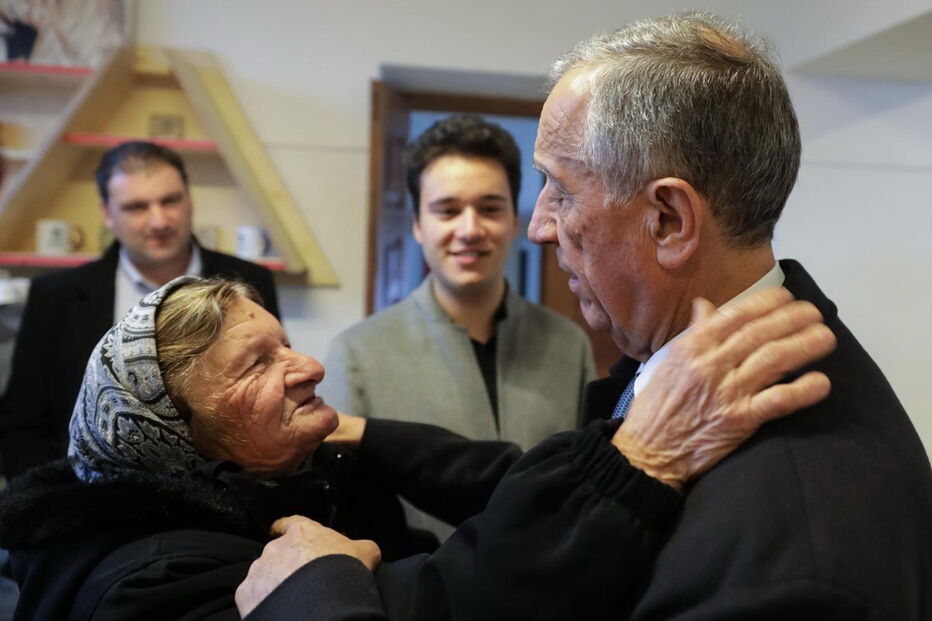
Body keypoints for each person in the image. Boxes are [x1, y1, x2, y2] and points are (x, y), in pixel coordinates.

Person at [237, 12, 932, 620]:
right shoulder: (669, 369)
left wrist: (313, 602)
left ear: (669, 219)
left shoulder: (796, 545)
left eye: (559, 188)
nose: (537, 226)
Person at [0, 277, 830, 620]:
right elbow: (452, 587)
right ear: (174, 433)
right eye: (258, 364)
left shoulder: (275, 484)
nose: (308, 366)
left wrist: (355, 432)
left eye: (286, 342)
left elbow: (500, 482)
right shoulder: (149, 584)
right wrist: (328, 585)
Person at [323, 114, 596, 538]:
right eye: (447, 211)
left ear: (514, 220)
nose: (470, 230)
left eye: (490, 209)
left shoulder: (567, 344)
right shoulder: (356, 353)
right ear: (417, 225)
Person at [0, 141, 279, 478]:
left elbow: (270, 400)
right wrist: (59, 500)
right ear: (107, 213)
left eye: (170, 200)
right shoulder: (56, 295)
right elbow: (21, 426)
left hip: (223, 488)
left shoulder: (249, 280)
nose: (159, 220)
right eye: (136, 207)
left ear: (189, 200)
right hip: (85, 495)